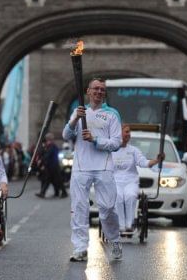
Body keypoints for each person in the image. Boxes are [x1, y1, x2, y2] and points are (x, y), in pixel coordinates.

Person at [63, 77, 122, 262]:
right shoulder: (79, 112)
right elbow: (66, 135)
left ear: (104, 94)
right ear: (88, 92)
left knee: (108, 207)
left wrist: (96, 140)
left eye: (102, 90)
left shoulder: (112, 114)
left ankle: (115, 240)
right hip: (81, 167)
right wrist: (74, 120)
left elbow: (116, 143)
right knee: (79, 207)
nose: (98, 92)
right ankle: (80, 247)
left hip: (103, 167)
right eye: (95, 89)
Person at [112, 123, 164, 235]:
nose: (128, 134)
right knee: (118, 196)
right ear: (118, 134)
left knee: (130, 196)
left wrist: (156, 161)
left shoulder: (134, 151)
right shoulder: (111, 150)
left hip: (130, 181)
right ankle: (121, 225)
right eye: (126, 132)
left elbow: (143, 162)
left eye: (129, 132)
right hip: (115, 181)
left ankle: (129, 224)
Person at [35, 132, 67, 198]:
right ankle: (45, 193)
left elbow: (47, 155)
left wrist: (41, 160)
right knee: (50, 180)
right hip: (50, 166)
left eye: (47, 139)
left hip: (53, 166)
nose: (46, 140)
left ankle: (63, 192)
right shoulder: (50, 146)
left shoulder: (52, 146)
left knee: (58, 181)